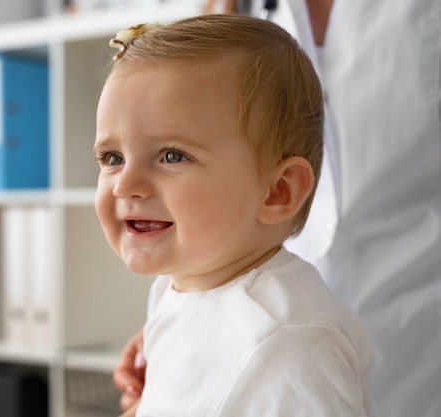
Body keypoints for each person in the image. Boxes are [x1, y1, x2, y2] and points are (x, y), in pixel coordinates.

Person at [114, 2, 441, 417]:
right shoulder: (167, 292)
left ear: (281, 191)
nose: (124, 184)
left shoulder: (301, 345)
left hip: (420, 347)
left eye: (172, 156)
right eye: (110, 158)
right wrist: (185, 346)